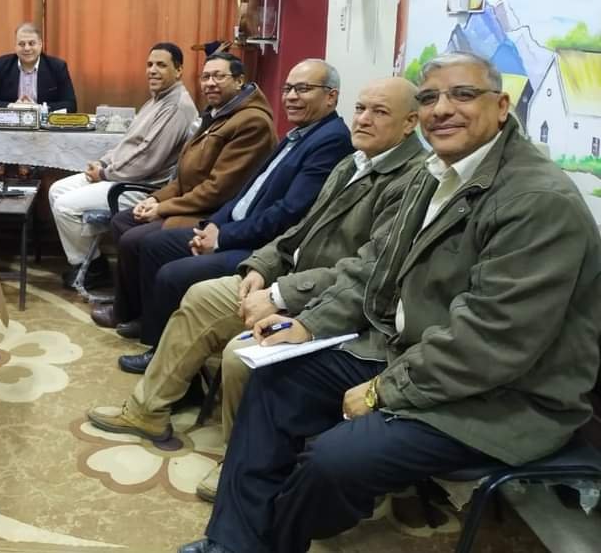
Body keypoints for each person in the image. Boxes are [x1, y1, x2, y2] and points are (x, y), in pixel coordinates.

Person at [180, 52, 601, 553]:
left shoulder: (537, 201)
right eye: (430, 97)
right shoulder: (434, 173)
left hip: (503, 396)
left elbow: (491, 341)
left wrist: (383, 391)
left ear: (502, 106)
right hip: (410, 353)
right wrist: (310, 324)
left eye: (463, 95)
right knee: (274, 380)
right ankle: (234, 542)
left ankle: (269, 538)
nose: (442, 109)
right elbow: (374, 265)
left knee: (336, 461)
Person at [87, 76, 426, 502]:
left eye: (379, 112)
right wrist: (261, 267)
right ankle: (147, 410)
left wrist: (281, 295)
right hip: (290, 280)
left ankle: (242, 463)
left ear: (411, 122)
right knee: (201, 296)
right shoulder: (355, 162)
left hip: (332, 305)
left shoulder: (412, 180)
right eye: (361, 108)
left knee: (240, 355)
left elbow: (368, 274)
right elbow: (300, 229)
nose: (363, 119)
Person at [106, 60, 353, 363]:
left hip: (261, 246)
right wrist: (212, 225)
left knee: (172, 274)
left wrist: (222, 237)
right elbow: (246, 193)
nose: (290, 97)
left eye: (302, 89)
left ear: (331, 96)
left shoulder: (330, 140)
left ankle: (164, 358)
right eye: (287, 89)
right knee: (152, 245)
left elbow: (288, 213)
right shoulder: (299, 133)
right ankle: (152, 332)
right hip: (232, 226)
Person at [86, 52, 275, 303]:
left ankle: (140, 311)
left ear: (239, 81)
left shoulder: (251, 122)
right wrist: (155, 199)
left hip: (213, 213)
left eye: (219, 76)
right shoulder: (217, 114)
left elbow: (217, 190)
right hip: (191, 202)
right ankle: (134, 302)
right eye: (205, 77)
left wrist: (163, 208)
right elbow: (185, 174)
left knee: (135, 239)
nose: (210, 83)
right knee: (123, 220)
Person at [48, 43, 198, 284]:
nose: (152, 70)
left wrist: (104, 174)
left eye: (161, 65)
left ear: (179, 70)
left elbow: (147, 158)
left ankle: (92, 269)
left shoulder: (176, 106)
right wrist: (102, 162)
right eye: (150, 64)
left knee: (65, 206)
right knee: (56, 190)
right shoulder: (157, 100)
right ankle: (92, 263)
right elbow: (127, 144)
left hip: (141, 186)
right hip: (121, 175)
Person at [0, 22, 77, 111]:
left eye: (31, 43)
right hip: (12, 121)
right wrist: (12, 106)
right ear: (15, 46)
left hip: (44, 122)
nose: (27, 48)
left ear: (40, 44)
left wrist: (39, 108)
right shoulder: (2, 65)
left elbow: (70, 105)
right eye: (21, 44)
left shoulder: (57, 67)